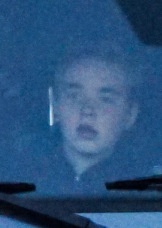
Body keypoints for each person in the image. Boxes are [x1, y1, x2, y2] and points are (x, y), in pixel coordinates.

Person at [47, 49, 145, 193]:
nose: (87, 111)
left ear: (130, 115)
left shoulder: (144, 187)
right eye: (74, 96)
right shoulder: (19, 176)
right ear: (55, 106)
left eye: (105, 100)